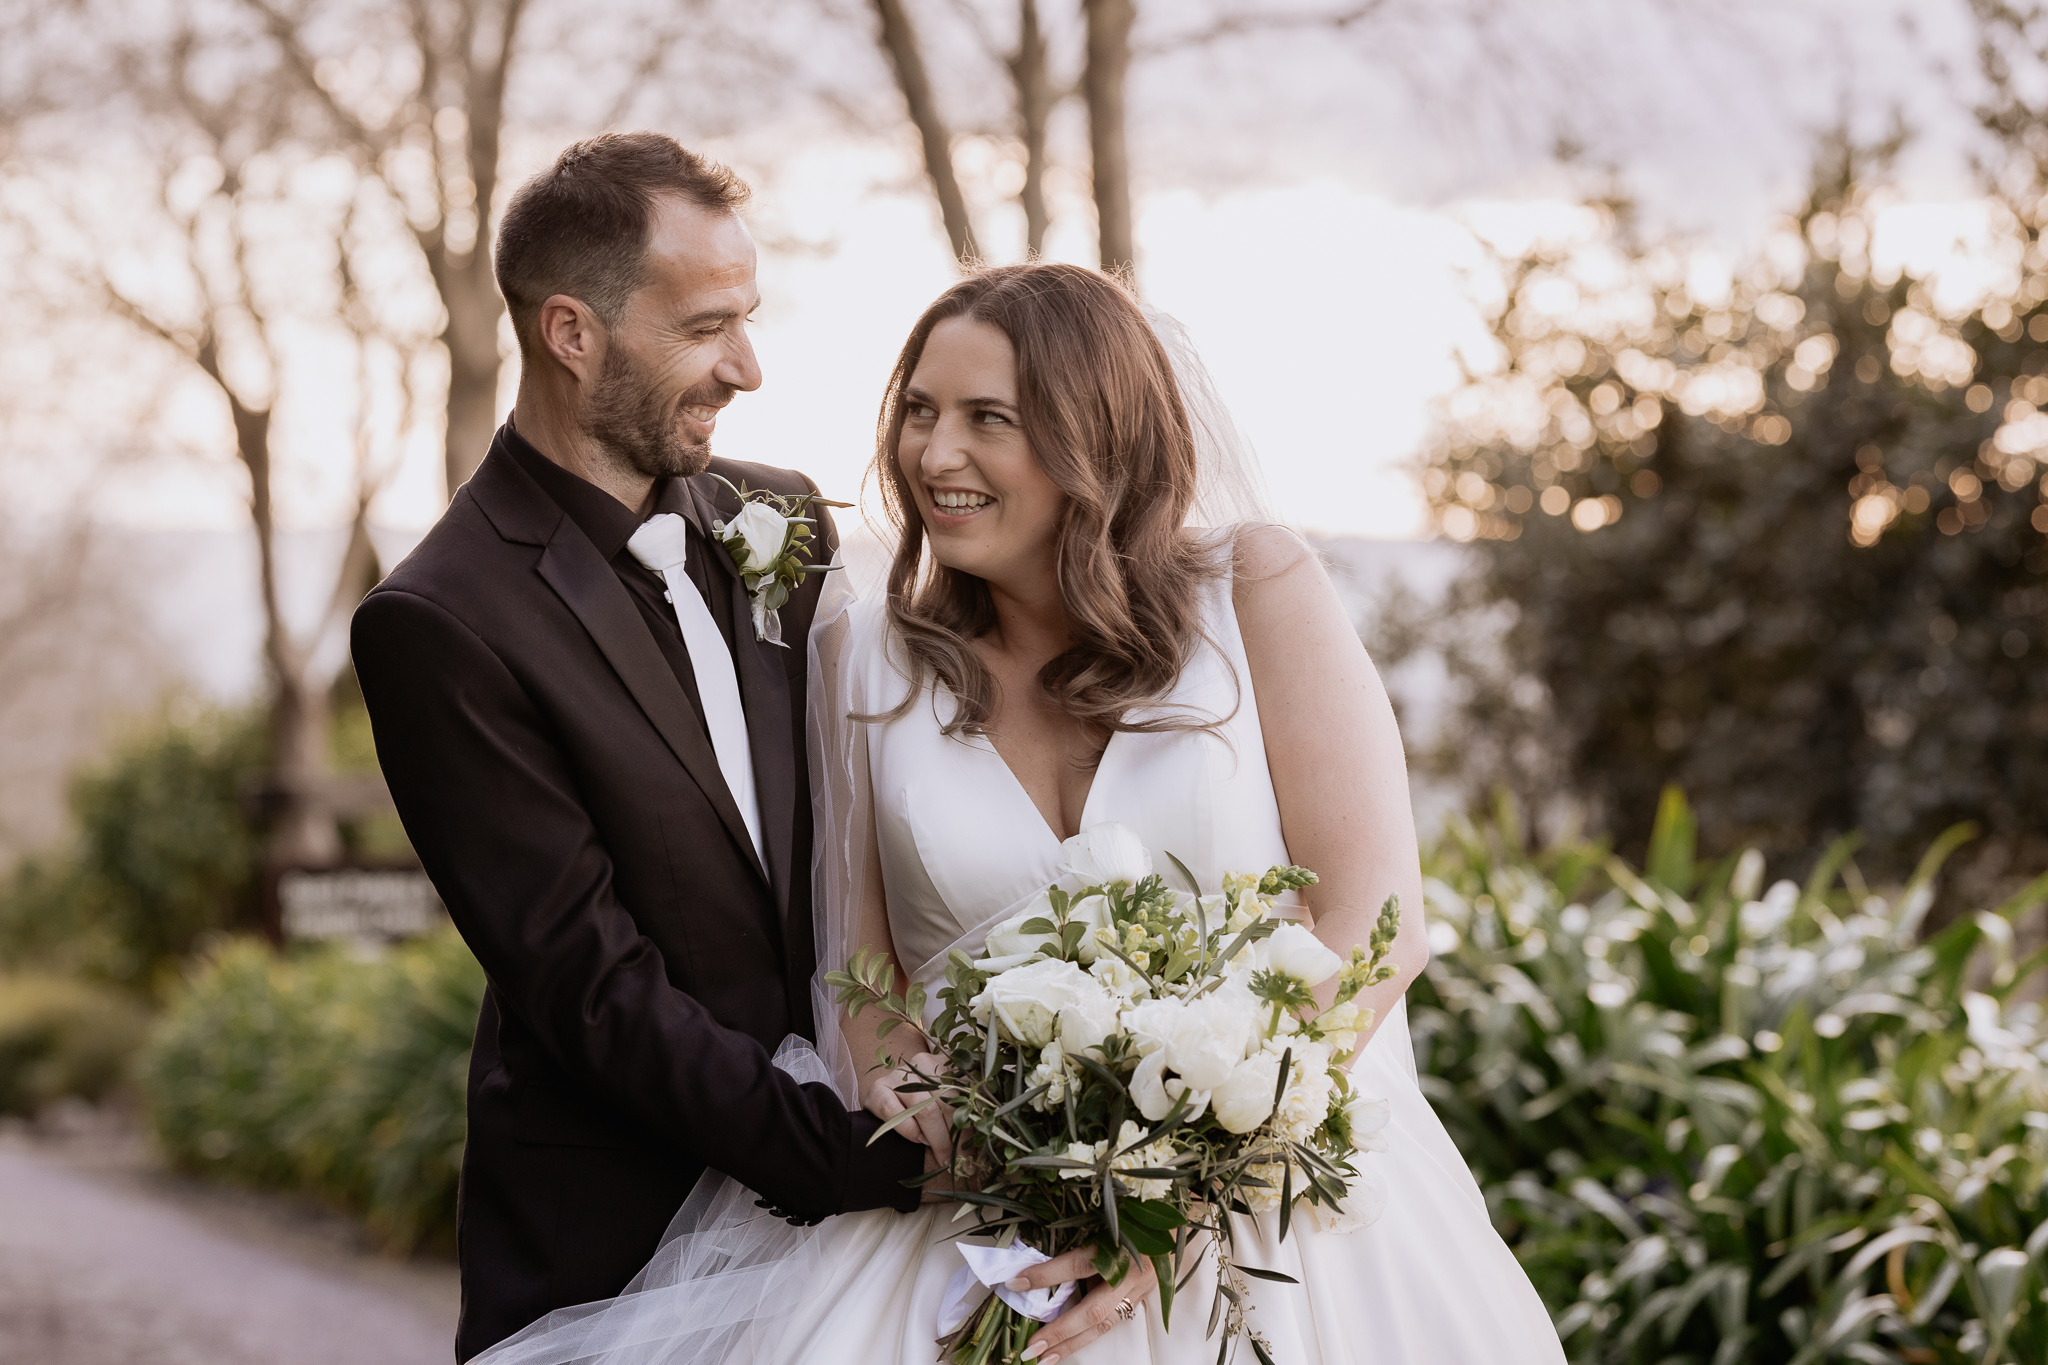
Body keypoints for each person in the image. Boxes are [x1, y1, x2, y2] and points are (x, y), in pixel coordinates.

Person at [472, 262, 1568, 1363]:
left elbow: (1374, 925)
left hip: (1289, 1230)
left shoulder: (1255, 593)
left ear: (1092, 438)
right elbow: (863, 989)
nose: (932, 455)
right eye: (917, 412)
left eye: (986, 419)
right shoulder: (863, 656)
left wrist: (1176, 1188)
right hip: (985, 1221)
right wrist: (1021, 1161)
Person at [349, 132, 934, 1362]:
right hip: (618, 1242)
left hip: (868, 1250)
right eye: (705, 327)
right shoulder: (440, 621)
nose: (749, 366)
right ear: (572, 332)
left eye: (750, 317)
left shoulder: (782, 520)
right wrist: (849, 1158)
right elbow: (586, 984)